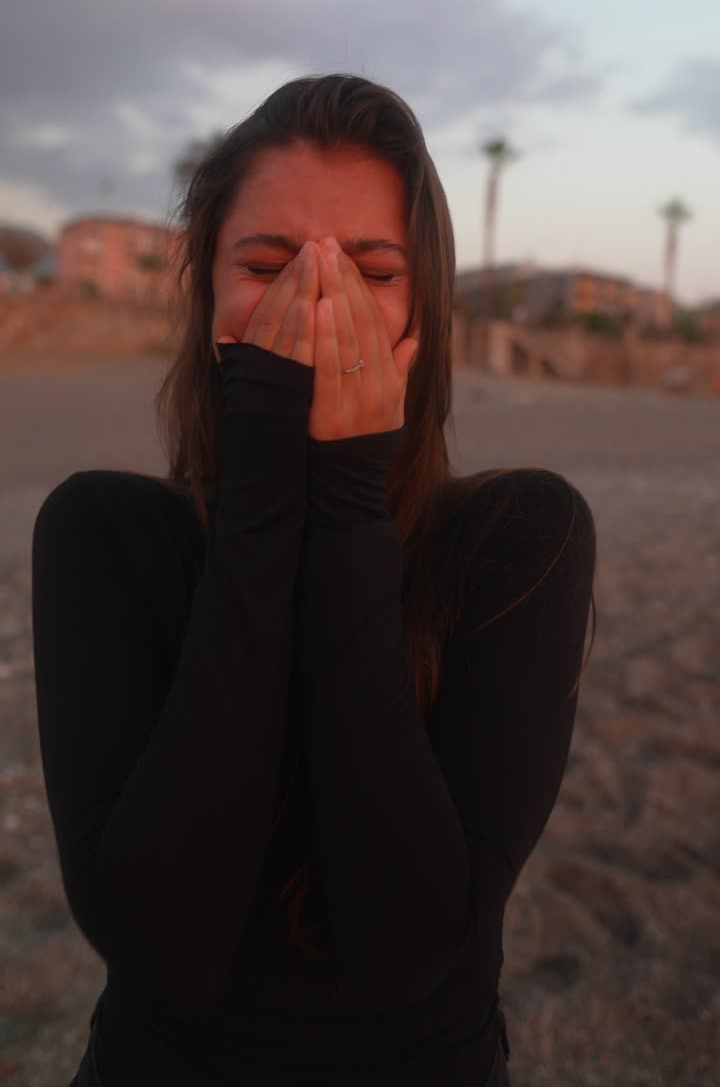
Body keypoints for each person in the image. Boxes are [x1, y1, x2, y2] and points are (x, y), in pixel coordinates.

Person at [32, 73, 596, 1087]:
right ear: (207, 292)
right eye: (267, 265)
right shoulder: (104, 533)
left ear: (426, 309)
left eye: (372, 272)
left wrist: (343, 508)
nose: (319, 303)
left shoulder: (520, 537)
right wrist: (261, 510)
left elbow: (410, 946)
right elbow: (162, 943)